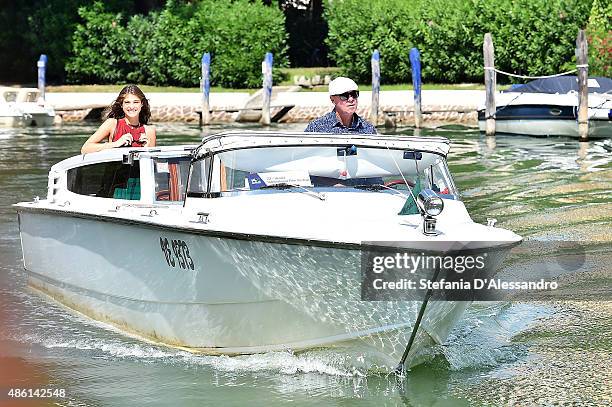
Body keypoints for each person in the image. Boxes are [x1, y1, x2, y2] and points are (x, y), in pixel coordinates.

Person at [81, 85, 156, 154]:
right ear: (121, 105)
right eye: (127, 102)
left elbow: (153, 163)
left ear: (142, 104)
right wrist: (116, 144)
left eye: (136, 102)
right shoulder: (112, 124)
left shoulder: (150, 131)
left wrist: (147, 149)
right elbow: (85, 149)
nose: (131, 106)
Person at [304, 77, 376, 134]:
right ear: (332, 99)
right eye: (344, 96)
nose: (351, 99)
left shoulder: (368, 129)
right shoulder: (316, 128)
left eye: (354, 94)